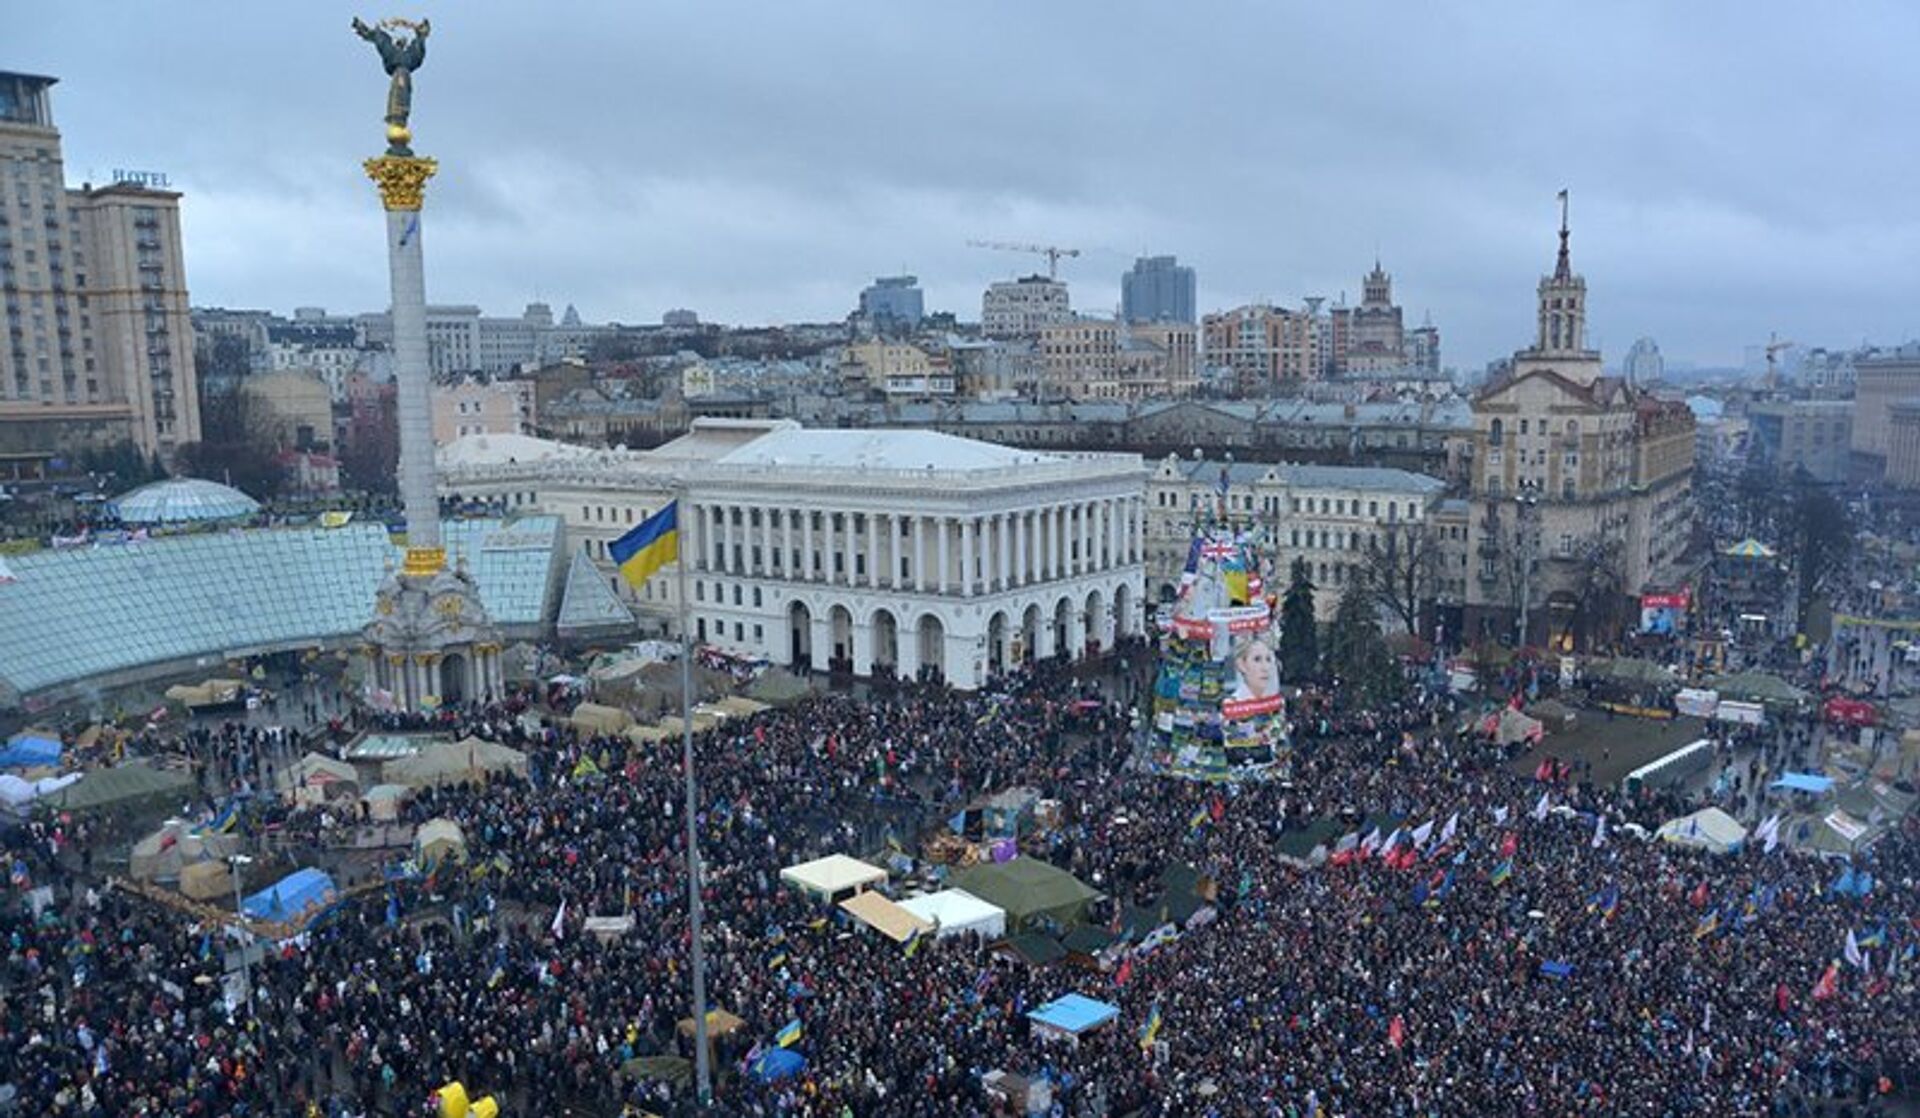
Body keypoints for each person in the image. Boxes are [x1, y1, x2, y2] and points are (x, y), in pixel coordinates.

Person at [1226, 632, 1279, 702]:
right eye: (1257, 659)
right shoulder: (1232, 704)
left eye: (1268, 659)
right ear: (1241, 665)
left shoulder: (1273, 702)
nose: (1265, 668)